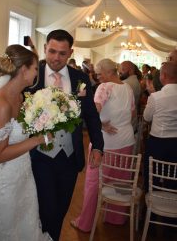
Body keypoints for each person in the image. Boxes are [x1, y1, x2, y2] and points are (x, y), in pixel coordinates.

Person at [29, 29, 104, 241]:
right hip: (39, 156)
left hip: (70, 157)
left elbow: (90, 115)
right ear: (45, 49)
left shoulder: (80, 78)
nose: (56, 58)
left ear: (70, 52)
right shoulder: (32, 76)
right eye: (52, 51)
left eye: (62, 53)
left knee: (61, 209)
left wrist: (98, 146)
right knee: (45, 208)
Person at [0, 45, 52, 241]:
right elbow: (0, 155)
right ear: (24, 69)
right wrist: (38, 139)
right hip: (3, 184)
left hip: (23, 177)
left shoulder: (20, 96)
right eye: (35, 67)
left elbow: (18, 131)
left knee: (25, 228)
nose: (37, 72)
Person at [70, 58, 135, 232]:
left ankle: (85, 223)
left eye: (99, 74)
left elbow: (92, 112)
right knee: (119, 182)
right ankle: (115, 218)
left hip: (106, 143)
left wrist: (101, 124)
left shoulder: (104, 87)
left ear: (108, 72)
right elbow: (133, 113)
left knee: (93, 183)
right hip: (127, 140)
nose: (98, 78)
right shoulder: (127, 87)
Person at [143, 61, 177, 192]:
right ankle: (170, 205)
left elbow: (146, 117)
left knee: (152, 176)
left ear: (163, 76)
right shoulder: (156, 96)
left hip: (158, 141)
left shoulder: (156, 97)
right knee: (173, 176)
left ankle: (151, 208)